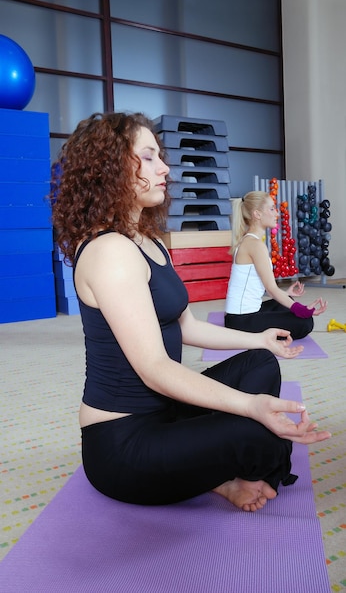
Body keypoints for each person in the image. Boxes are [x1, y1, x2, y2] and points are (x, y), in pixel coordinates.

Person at [50, 112, 330, 512]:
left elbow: (187, 325)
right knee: (260, 433)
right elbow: (156, 369)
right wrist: (250, 407)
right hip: (122, 444)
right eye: (148, 157)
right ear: (108, 168)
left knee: (260, 364)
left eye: (159, 156)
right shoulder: (108, 252)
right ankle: (226, 475)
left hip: (166, 413)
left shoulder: (149, 242)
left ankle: (221, 471)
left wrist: (258, 337)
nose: (164, 167)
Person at [225, 191, 328, 340]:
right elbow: (272, 290)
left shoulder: (249, 240)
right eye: (272, 209)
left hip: (240, 316)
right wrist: (304, 311)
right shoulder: (255, 245)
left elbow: (262, 287)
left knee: (288, 303)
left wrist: (286, 294)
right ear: (257, 214)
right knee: (305, 322)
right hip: (240, 322)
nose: (277, 213)